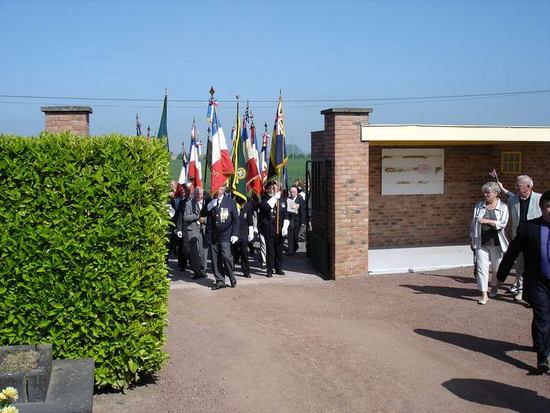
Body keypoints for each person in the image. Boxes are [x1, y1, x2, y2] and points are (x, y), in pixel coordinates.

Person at [497, 191, 550, 373]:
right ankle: (542, 358)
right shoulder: (528, 228)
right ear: (541, 207)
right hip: (538, 282)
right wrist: (501, 276)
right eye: (548, 206)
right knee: (543, 317)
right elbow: (512, 251)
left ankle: (541, 344)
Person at [499, 176, 542, 301]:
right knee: (520, 265)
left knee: (535, 265)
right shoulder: (512, 200)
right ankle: (521, 290)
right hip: (519, 238)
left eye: (518, 185)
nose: (516, 187)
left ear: (528, 186)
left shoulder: (539, 199)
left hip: (535, 238)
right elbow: (509, 198)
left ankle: (536, 291)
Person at [469, 182, 509, 305]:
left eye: (488, 192)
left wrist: (488, 221)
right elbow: (473, 224)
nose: (485, 195)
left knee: (497, 270)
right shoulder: (479, 205)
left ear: (496, 193)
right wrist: (472, 239)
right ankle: (484, 295)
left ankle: (495, 287)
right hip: (481, 242)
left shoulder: (503, 207)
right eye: (484, 192)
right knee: (482, 269)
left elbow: (503, 223)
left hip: (497, 243)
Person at [206, 183, 240, 289]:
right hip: (213, 234)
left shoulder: (230, 202)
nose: (219, 190)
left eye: (221, 188)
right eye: (217, 187)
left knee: (226, 256)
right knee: (215, 259)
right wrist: (208, 206)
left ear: (224, 189)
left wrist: (235, 234)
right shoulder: (210, 201)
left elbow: (235, 219)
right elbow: (203, 215)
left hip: (226, 233)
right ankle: (220, 280)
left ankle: (231, 275)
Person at [258, 180, 290, 277]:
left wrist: (285, 226)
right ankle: (269, 269)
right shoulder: (264, 199)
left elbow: (286, 214)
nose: (273, 189)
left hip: (280, 228)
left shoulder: (282, 199)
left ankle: (278, 268)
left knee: (279, 249)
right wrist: (274, 198)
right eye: (271, 188)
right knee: (270, 250)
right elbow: (266, 207)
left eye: (275, 188)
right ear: (267, 189)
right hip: (269, 228)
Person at [178, 186, 207, 280]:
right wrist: (196, 216)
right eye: (196, 194)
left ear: (202, 194)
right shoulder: (189, 204)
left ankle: (203, 270)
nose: (197, 195)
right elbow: (185, 217)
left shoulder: (206, 203)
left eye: (199, 194)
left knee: (203, 252)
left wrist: (204, 219)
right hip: (193, 230)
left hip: (203, 230)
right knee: (194, 253)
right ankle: (197, 272)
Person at [232, 197, 255, 278]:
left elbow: (250, 218)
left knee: (244, 252)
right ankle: (231, 268)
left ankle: (246, 270)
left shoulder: (248, 204)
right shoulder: (232, 203)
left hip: (243, 231)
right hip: (234, 230)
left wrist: (251, 231)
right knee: (233, 251)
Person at [286, 186, 305, 255]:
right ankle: (291, 251)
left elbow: (302, 211)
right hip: (290, 219)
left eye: (293, 192)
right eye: (291, 192)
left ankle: (295, 246)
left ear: (296, 192)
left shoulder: (300, 199)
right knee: (290, 236)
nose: (292, 194)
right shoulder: (288, 199)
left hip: (297, 219)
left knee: (295, 236)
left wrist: (302, 222)